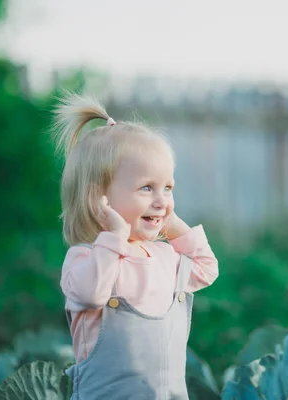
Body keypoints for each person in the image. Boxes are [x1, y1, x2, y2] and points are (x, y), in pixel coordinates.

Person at [52, 92, 219, 399]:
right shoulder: (86, 258)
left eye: (167, 188)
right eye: (147, 188)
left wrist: (169, 220)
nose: (161, 200)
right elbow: (91, 295)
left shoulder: (164, 256)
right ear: (97, 198)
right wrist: (114, 235)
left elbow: (207, 269)